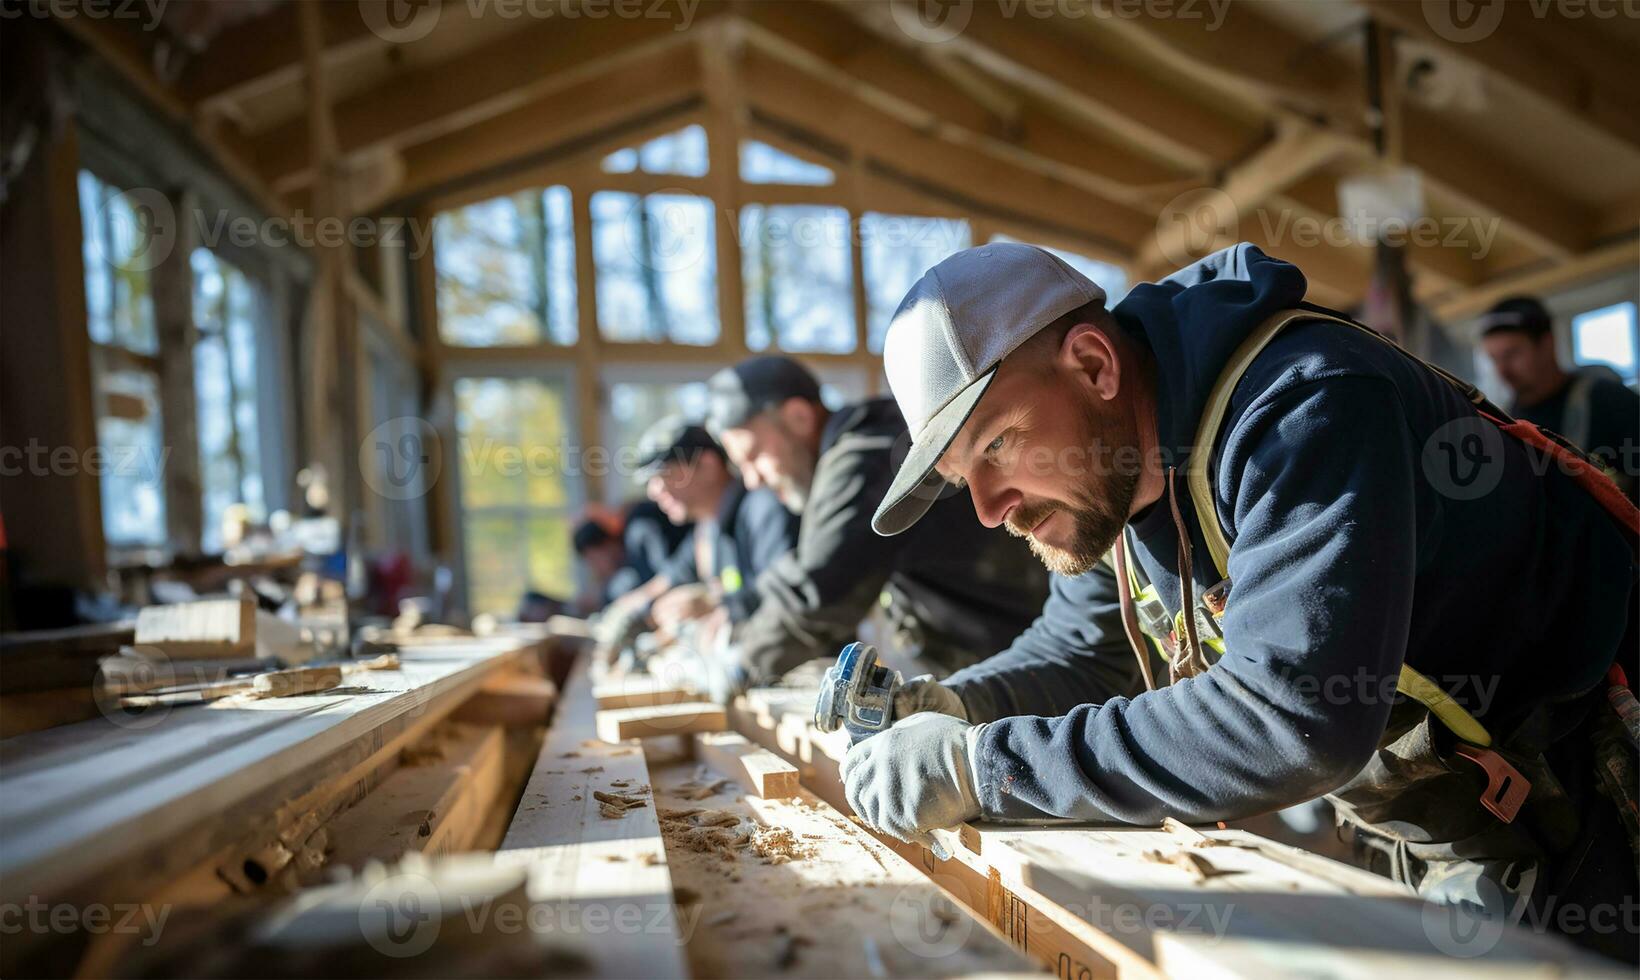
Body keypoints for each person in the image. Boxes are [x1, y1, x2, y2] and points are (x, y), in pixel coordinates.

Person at [843, 242, 1638, 960]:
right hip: (1455, 807)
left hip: (1595, 783)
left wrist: (981, 768)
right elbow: (1077, 654)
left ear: (1093, 364)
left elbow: (1290, 717)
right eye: (961, 478)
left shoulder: (1304, 405)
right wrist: (950, 706)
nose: (987, 508)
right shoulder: (1106, 471)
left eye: (996, 444)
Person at [705, 355, 1049, 688]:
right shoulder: (863, 443)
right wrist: (740, 606)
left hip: (1030, 666)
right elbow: (810, 563)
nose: (752, 481)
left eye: (754, 456)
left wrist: (741, 666)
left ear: (798, 416)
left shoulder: (866, 454)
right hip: (998, 661)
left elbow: (821, 590)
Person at [596, 418, 797, 657]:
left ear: (708, 465)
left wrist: (714, 603)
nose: (654, 491)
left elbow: (785, 592)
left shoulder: (762, 509)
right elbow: (667, 581)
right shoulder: (706, 529)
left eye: (663, 474)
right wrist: (624, 611)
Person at [1480, 295, 1638, 502]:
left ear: (1547, 343)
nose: (1502, 371)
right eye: (1494, 358)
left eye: (1512, 354)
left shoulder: (1609, 402)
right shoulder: (1502, 426)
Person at [571, 501, 691, 613]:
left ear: (606, 544)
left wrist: (639, 597)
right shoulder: (629, 551)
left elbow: (665, 575)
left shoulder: (639, 530)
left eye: (594, 559)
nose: (596, 567)